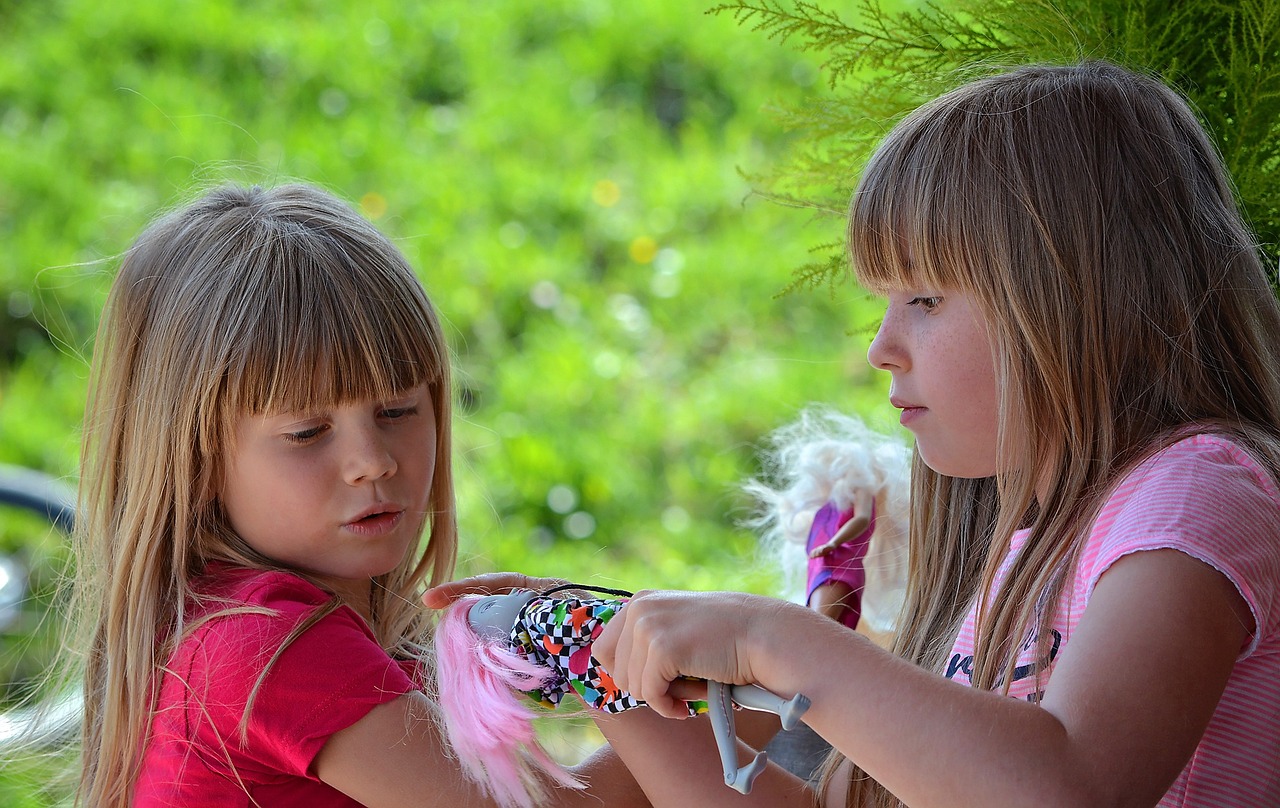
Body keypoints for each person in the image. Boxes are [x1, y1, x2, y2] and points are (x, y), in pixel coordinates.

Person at [583, 61, 1280, 807]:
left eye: (923, 297)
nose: (880, 345)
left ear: (1074, 298)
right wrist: (603, 664)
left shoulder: (1195, 493)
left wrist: (773, 637)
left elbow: (1069, 789)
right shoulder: (1023, 563)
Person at [67, 183, 650, 807]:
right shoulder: (265, 646)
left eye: (397, 408)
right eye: (306, 432)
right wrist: (618, 659)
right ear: (193, 458)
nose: (371, 461)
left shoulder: (318, 632)